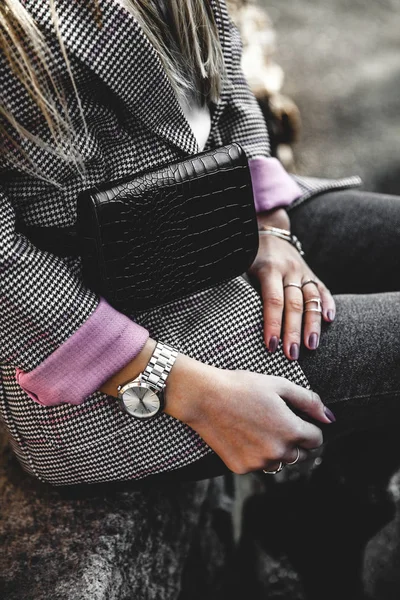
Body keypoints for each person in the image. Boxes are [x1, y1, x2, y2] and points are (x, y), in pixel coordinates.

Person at [1, 0, 400, 490]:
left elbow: (222, 68)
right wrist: (188, 392)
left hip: (224, 211)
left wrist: (268, 224)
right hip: (118, 341)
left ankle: (339, 499)